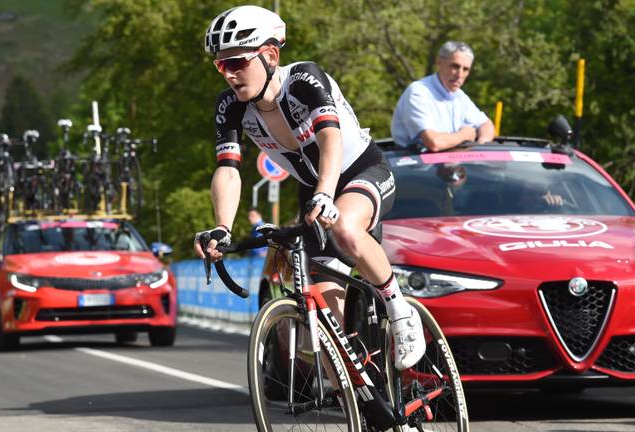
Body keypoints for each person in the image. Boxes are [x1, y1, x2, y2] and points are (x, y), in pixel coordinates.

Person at [195, 5, 425, 369]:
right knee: (329, 335)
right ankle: (362, 400)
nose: (230, 75)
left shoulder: (302, 80)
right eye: (222, 65)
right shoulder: (231, 107)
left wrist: (326, 192)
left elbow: (330, 137)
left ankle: (400, 310)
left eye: (237, 62)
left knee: (346, 229)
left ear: (270, 55)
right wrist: (222, 227)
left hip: (359, 172)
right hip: (313, 189)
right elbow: (228, 170)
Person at [391, 41, 495, 151]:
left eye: (465, 69)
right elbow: (434, 143)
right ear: (439, 62)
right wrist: (465, 135)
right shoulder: (418, 92)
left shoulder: (459, 96)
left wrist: (480, 146)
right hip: (412, 165)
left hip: (451, 164)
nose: (460, 75)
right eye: (455, 66)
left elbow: (486, 125)